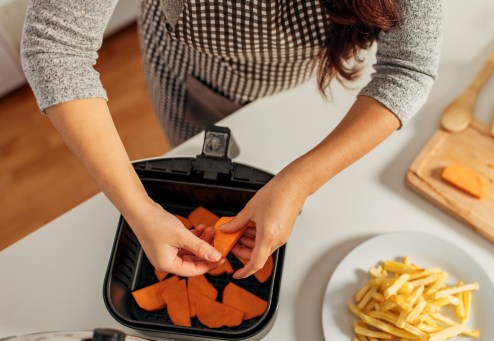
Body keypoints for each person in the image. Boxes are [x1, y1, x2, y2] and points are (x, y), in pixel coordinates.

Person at [21, 0, 442, 279]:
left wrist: (299, 181)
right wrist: (140, 210)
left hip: (305, 88)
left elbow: (408, 69)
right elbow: (56, 47)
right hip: (194, 76)